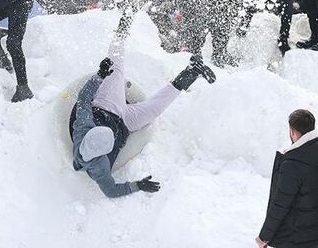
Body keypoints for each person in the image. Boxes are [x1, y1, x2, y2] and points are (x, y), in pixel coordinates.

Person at [71, 12, 215, 198]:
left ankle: (123, 24)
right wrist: (137, 185)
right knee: (154, 109)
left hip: (106, 104)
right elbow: (111, 191)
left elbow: (83, 99)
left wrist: (99, 75)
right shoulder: (99, 168)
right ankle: (192, 72)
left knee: (115, 70)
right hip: (124, 124)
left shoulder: (82, 126)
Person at [256, 109, 318, 248]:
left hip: (294, 237)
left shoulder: (292, 164)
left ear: (292, 131)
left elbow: (280, 204)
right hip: (315, 230)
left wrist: (264, 236)